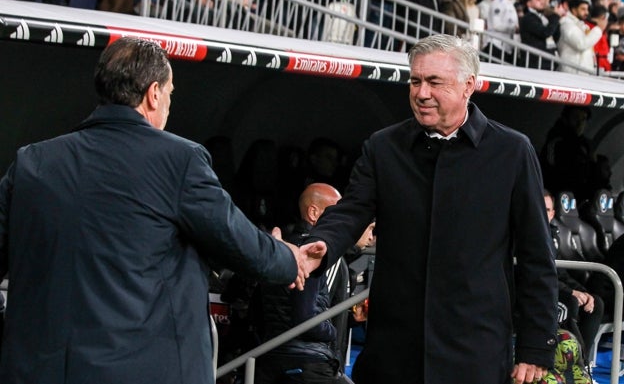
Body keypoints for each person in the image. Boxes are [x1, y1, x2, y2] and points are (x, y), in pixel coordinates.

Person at [0, 37, 307, 384]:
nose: (169, 104)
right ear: (153, 93)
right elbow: (240, 243)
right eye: (171, 93)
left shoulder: (31, 163)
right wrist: (289, 259)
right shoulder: (180, 161)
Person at [299, 34, 559, 384]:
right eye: (415, 81)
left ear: (469, 85)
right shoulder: (383, 147)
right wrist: (323, 244)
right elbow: (350, 211)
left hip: (474, 352)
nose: (421, 93)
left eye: (435, 82)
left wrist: (536, 347)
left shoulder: (512, 152)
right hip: (393, 351)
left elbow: (536, 256)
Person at [254, 183, 353, 384]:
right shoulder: (316, 253)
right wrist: (331, 332)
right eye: (335, 211)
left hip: (271, 360)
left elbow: (256, 310)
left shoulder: (280, 249)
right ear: (313, 212)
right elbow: (305, 316)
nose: (341, 220)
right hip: (310, 365)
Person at [544, 189, 604, 360]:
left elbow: (560, 272)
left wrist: (582, 291)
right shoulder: (524, 236)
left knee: (595, 302)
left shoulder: (552, 236)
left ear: (553, 213)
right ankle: (574, 365)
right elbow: (537, 277)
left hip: (555, 289)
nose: (543, 214)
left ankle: (582, 364)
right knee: (570, 302)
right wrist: (570, 292)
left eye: (547, 210)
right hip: (535, 293)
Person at [539, 105, 597, 202]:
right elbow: (551, 172)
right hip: (560, 199)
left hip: (581, 200)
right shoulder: (556, 142)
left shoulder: (585, 145)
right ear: (565, 119)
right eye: (575, 118)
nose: (580, 123)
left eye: (583, 119)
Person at [557, 0, 607, 74]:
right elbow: (581, 44)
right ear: (574, 9)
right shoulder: (566, 25)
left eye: (587, 9)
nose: (586, 12)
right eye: (583, 9)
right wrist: (599, 29)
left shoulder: (582, 25)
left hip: (582, 74)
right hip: (570, 74)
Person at [519, 0, 564, 69]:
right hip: (535, 64)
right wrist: (556, 16)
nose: (542, 1)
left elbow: (555, 37)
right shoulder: (528, 18)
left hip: (548, 62)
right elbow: (545, 32)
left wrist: (554, 16)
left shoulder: (544, 17)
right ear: (528, 3)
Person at [586, 4, 612, 72]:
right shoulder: (592, 31)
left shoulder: (600, 31)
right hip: (598, 70)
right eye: (606, 20)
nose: (607, 23)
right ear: (602, 18)